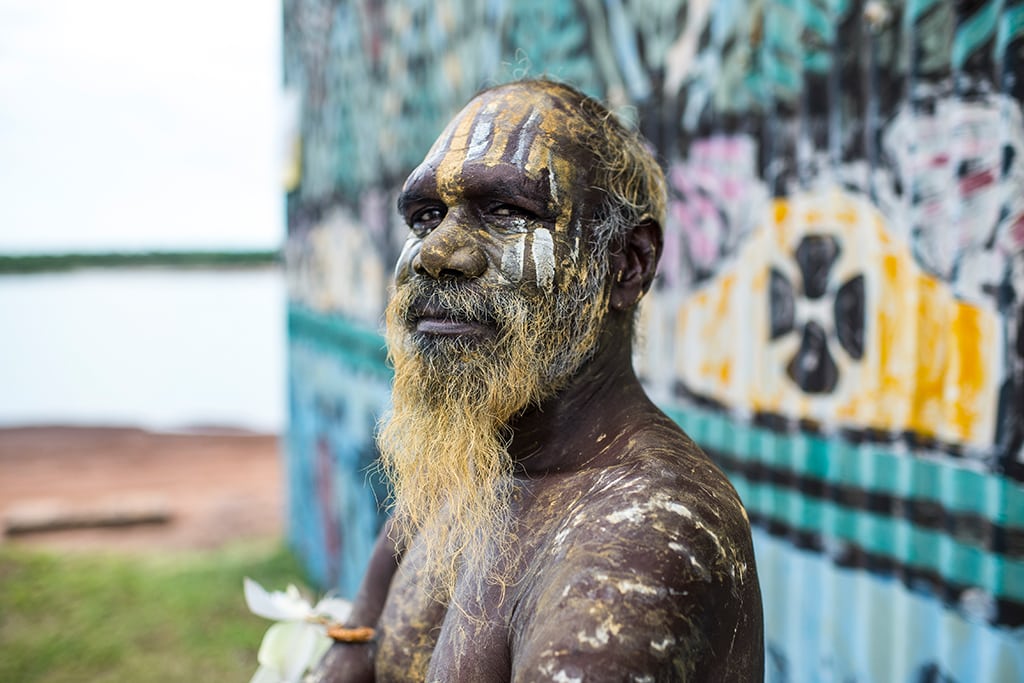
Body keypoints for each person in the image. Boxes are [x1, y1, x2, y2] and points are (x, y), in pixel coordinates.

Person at [313, 78, 763, 682]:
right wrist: (354, 635)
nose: (434, 252)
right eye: (424, 217)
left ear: (626, 265)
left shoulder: (645, 533)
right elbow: (358, 637)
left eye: (505, 211)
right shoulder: (475, 455)